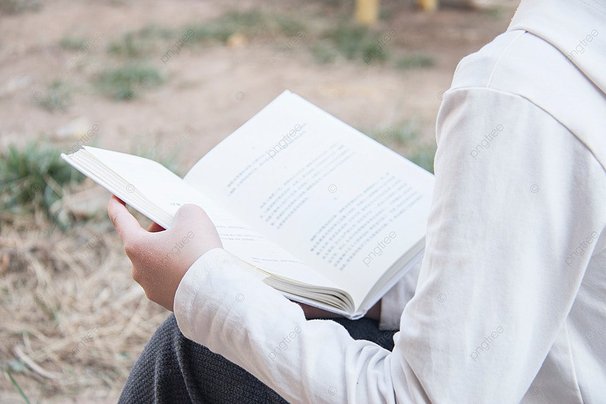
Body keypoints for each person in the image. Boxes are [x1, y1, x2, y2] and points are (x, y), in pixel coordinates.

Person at [108, 0, 606, 402]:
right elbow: (553, 280)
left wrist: (202, 287)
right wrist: (360, 287)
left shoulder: (521, 95)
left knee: (199, 351)